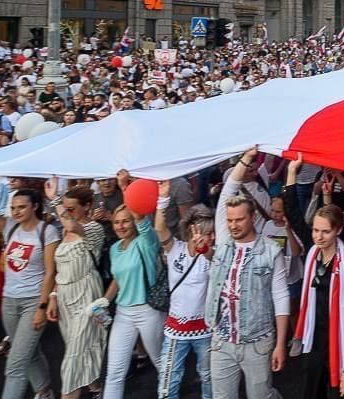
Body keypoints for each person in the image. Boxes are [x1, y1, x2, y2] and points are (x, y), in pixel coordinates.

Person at [207, 147, 292, 399]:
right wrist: (245, 160)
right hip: (222, 340)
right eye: (230, 220)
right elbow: (227, 193)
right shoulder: (223, 242)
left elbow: (280, 297)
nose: (232, 225)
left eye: (239, 220)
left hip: (258, 342)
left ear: (252, 217)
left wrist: (280, 344)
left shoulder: (270, 251)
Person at [284, 161, 344, 399]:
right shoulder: (311, 252)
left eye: (325, 231)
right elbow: (292, 213)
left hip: (339, 345)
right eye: (315, 231)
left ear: (338, 231)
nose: (318, 237)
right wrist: (291, 171)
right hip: (313, 341)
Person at [0, 171, 59, 399]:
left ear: (35, 207)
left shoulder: (47, 232)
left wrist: (42, 307)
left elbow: (51, 272)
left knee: (16, 361)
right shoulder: (9, 227)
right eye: (13, 207)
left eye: (21, 207)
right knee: (30, 352)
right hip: (9, 301)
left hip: (33, 301)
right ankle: (45, 391)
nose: (16, 211)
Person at [99, 198, 167, 398]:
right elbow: (118, 280)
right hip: (122, 313)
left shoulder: (146, 242)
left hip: (149, 311)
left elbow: (144, 225)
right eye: (117, 222)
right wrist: (104, 302)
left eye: (126, 221)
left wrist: (127, 191)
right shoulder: (115, 248)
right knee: (114, 371)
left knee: (161, 363)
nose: (120, 226)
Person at [154, 183, 215, 399]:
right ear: (189, 229)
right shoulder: (175, 248)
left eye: (209, 232)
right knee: (169, 379)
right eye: (201, 231)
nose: (205, 236)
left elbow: (211, 260)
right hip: (175, 329)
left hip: (205, 329)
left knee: (209, 377)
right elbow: (160, 229)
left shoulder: (211, 256)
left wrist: (205, 250)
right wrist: (162, 198)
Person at [46, 185, 106, 399]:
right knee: (79, 346)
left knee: (74, 356)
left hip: (87, 294)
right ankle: (96, 386)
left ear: (87, 206)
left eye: (72, 209)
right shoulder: (65, 231)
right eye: (66, 209)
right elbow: (61, 269)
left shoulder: (94, 230)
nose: (68, 213)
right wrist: (53, 296)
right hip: (65, 296)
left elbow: (71, 224)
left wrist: (54, 200)